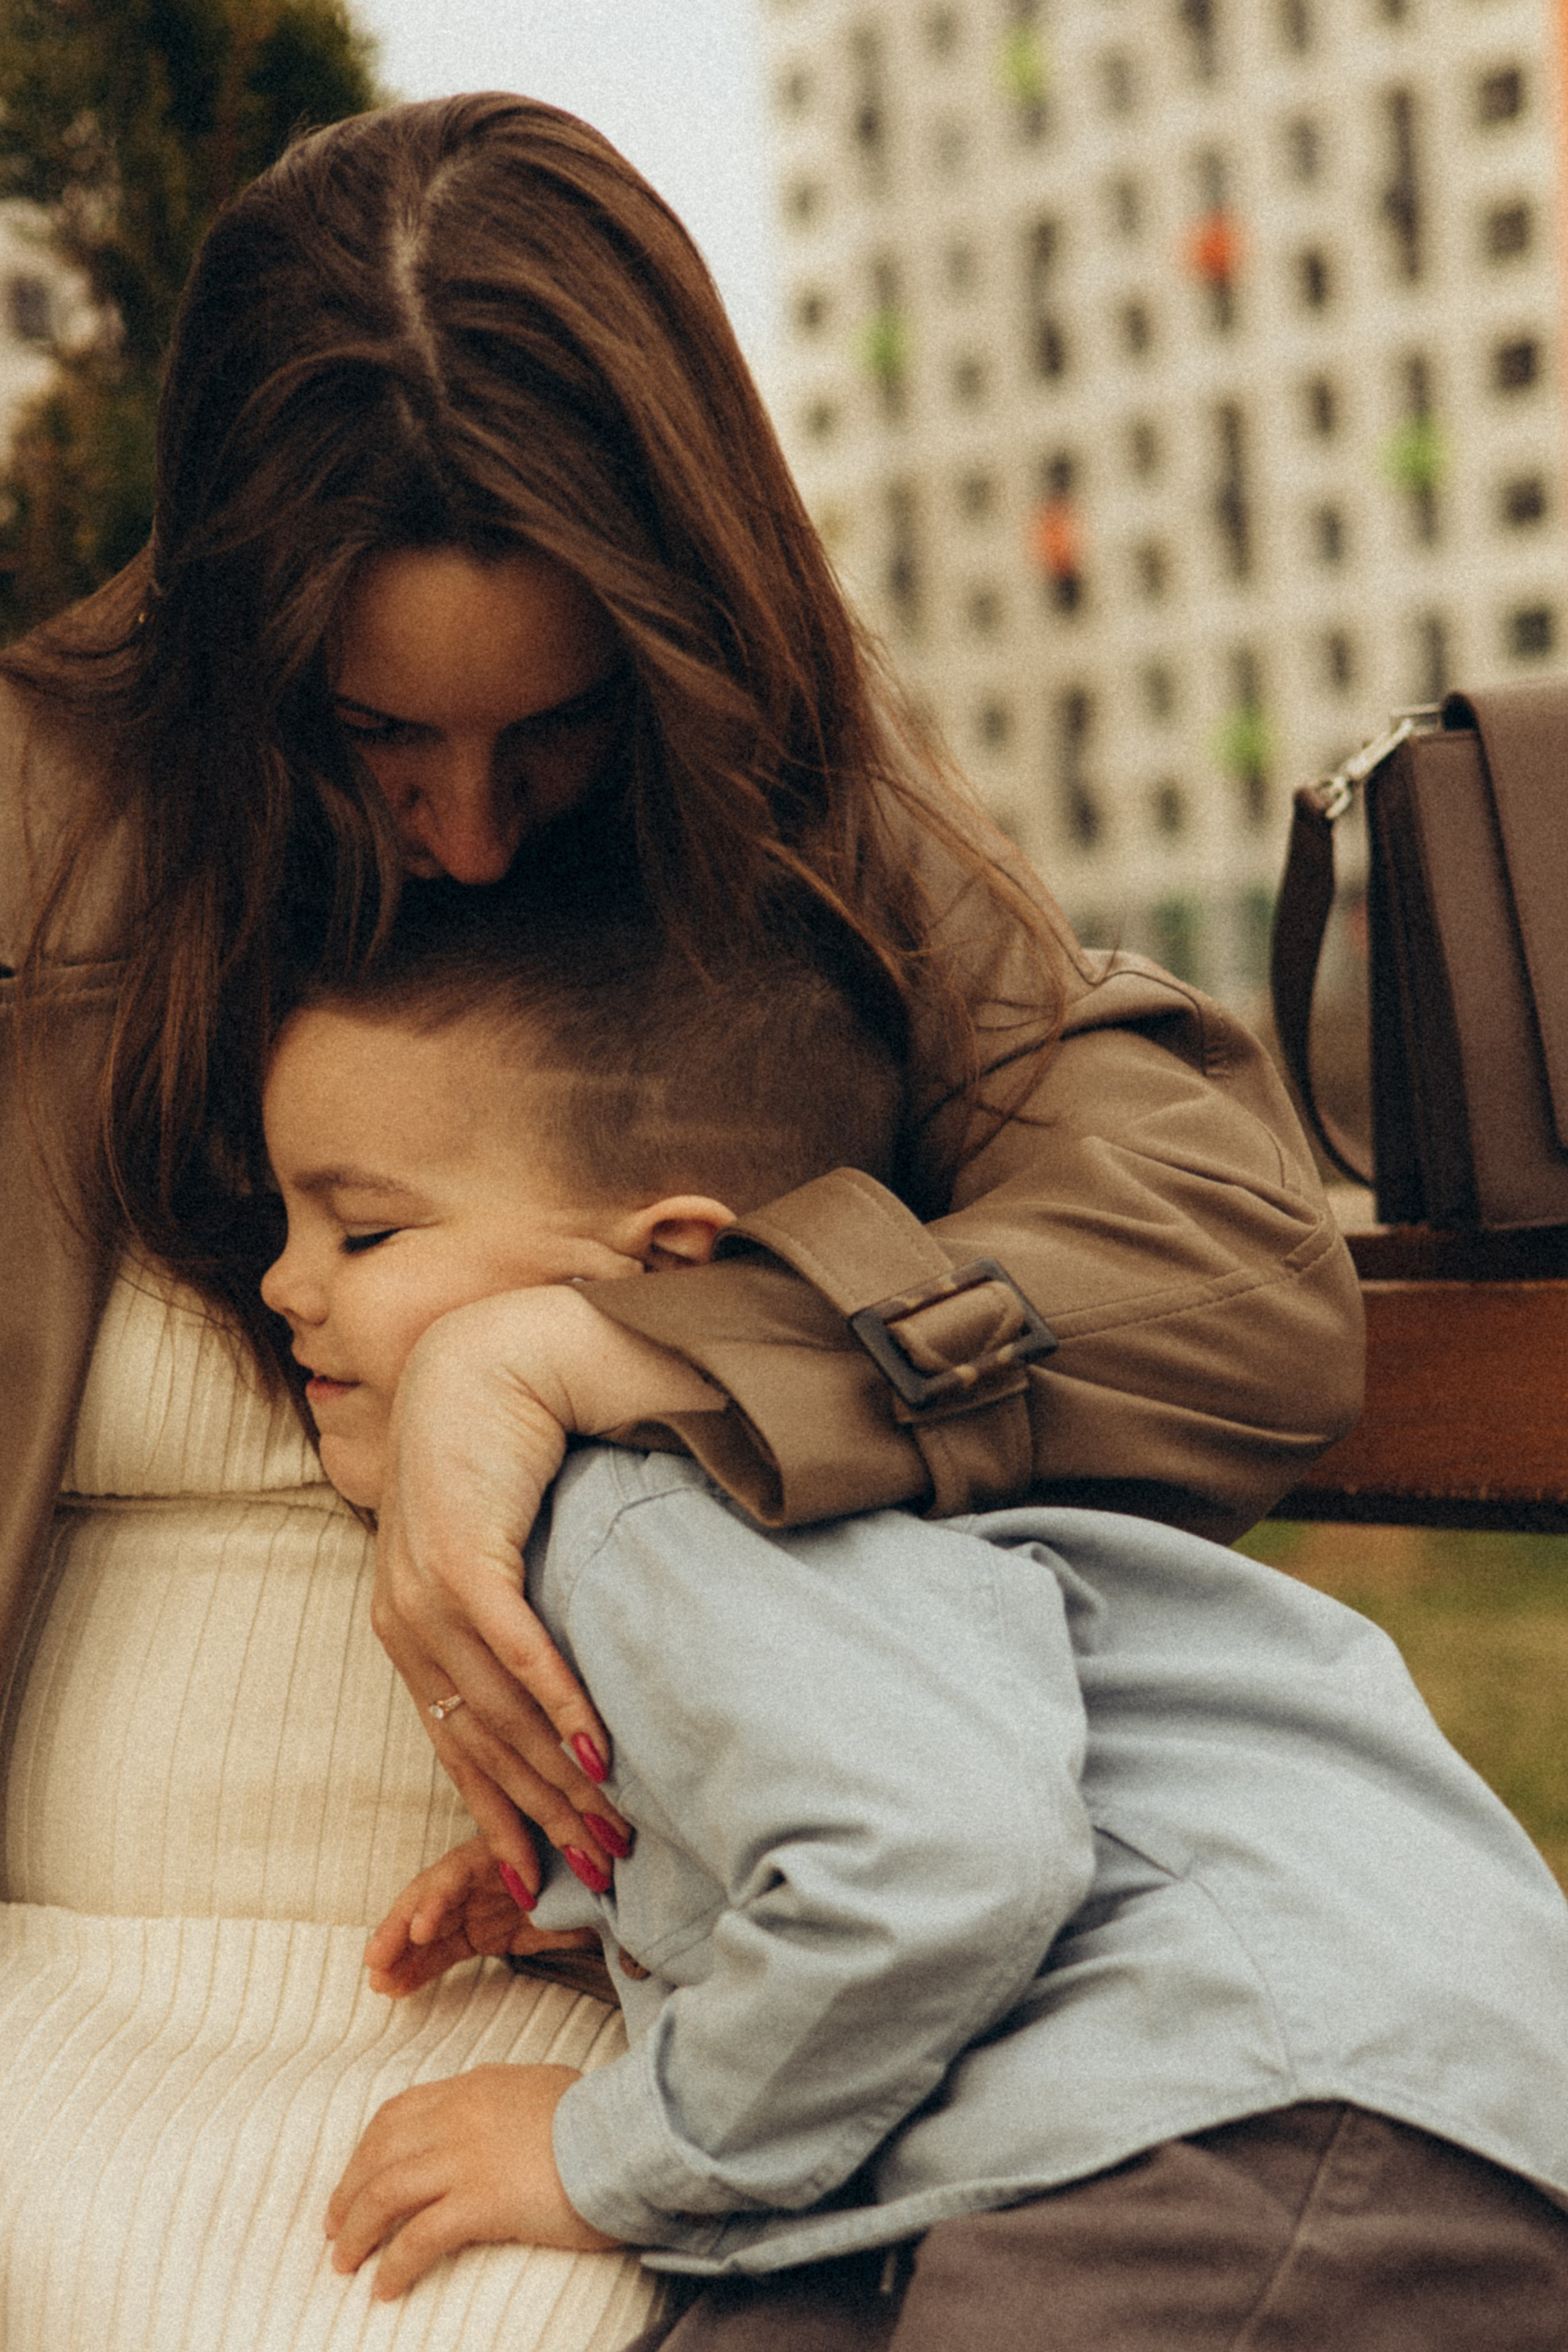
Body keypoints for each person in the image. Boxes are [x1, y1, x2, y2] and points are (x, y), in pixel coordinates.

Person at [0, 92, 1365, 1912]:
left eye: (557, 727)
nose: (471, 834)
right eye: (374, 731)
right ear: (238, 648)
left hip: (698, 2008)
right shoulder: (35, 823)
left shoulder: (805, 825)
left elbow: (1235, 1274)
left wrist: (600, 1351)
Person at [250, 911, 1568, 2350]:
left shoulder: (625, 1496)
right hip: (1260, 2094)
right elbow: (896, 1767)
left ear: (661, 1263)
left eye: (364, 1231)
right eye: (286, 1228)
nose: (282, 1285)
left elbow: (946, 1860)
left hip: (1249, 2102)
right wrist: (626, 1881)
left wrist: (597, 2152)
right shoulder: (763, 1461)